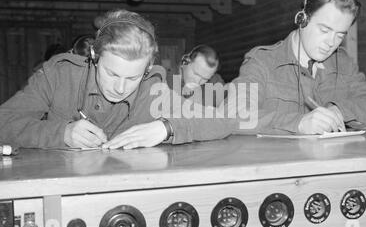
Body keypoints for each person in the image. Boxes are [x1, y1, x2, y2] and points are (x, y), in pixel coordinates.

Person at [0, 10, 233, 149]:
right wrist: (61, 133)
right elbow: (4, 122)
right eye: (111, 73)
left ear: (149, 67)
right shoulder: (60, 75)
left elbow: (223, 121)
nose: (120, 88)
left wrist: (167, 128)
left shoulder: (154, 89)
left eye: (133, 77)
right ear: (94, 55)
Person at [228, 0, 366, 135]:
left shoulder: (343, 64)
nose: (331, 43)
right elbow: (234, 116)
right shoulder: (261, 61)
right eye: (324, 30)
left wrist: (339, 111)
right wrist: (298, 123)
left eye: (340, 35)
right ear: (302, 19)